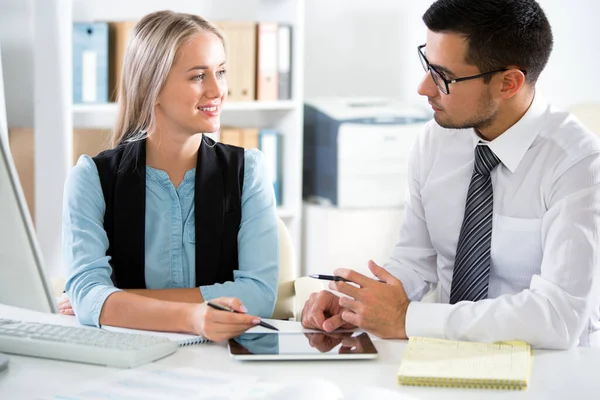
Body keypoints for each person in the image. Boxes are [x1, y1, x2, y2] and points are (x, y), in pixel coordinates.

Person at [302, 0, 600, 349]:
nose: (424, 88)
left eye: (444, 76)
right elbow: (416, 259)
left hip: (547, 368)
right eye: (428, 64)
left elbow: (558, 316)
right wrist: (356, 304)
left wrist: (408, 320)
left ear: (509, 83)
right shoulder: (437, 138)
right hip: (443, 357)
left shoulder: (578, 165)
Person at [59, 10, 279, 342]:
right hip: (127, 361)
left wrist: (115, 302)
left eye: (220, 72)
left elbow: (259, 296)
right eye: (198, 76)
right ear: (152, 86)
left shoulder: (249, 171)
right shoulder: (91, 179)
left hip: (221, 364)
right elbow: (90, 296)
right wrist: (194, 316)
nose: (217, 90)